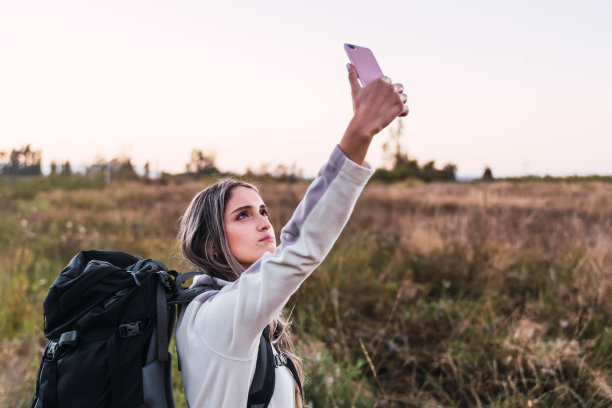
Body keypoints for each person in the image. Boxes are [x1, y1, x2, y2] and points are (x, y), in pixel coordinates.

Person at [175, 63, 408, 407]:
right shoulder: (218, 318)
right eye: (243, 215)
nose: (264, 223)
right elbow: (299, 247)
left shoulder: (231, 311)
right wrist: (360, 133)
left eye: (263, 211)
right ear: (211, 245)